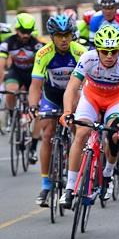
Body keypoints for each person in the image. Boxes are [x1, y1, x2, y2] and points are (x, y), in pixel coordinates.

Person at [59, 25, 119, 208]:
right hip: (91, 99)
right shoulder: (88, 58)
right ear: (97, 50)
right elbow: (72, 87)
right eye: (104, 51)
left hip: (115, 101)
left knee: (114, 135)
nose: (109, 56)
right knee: (81, 133)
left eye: (113, 51)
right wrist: (67, 112)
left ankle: (108, 173)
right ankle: (70, 188)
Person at [28, 14, 87, 207]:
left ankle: (74, 177)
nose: (63, 39)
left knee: (77, 133)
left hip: (75, 95)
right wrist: (32, 106)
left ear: (72, 35)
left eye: (67, 34)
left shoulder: (80, 52)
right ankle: (46, 184)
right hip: (52, 96)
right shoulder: (43, 53)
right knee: (47, 134)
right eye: (59, 35)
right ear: (52, 36)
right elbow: (35, 85)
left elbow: (88, 83)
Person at [0, 13, 44, 163]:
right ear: (17, 29)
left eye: (29, 31)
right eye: (23, 31)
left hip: (32, 74)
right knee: (10, 90)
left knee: (37, 110)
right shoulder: (8, 43)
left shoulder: (37, 45)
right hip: (16, 72)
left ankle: (33, 148)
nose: (26, 35)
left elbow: (43, 68)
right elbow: (1, 65)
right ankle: (13, 116)